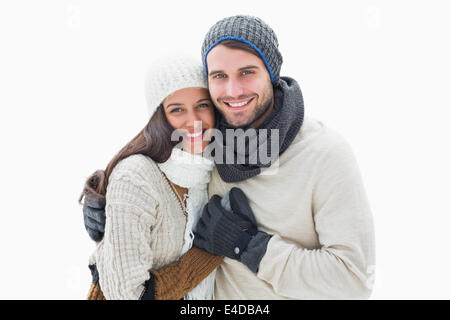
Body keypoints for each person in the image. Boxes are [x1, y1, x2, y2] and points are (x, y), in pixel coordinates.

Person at [83, 15, 376, 300]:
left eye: (247, 72)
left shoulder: (325, 154)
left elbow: (354, 280)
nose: (233, 91)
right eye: (219, 76)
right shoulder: (209, 140)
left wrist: (247, 246)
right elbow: (154, 166)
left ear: (271, 73)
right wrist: (110, 206)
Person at [79, 53, 227, 300]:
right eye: (177, 109)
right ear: (159, 117)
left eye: (202, 105)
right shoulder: (136, 177)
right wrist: (208, 252)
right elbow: (129, 296)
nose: (194, 121)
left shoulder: (207, 171)